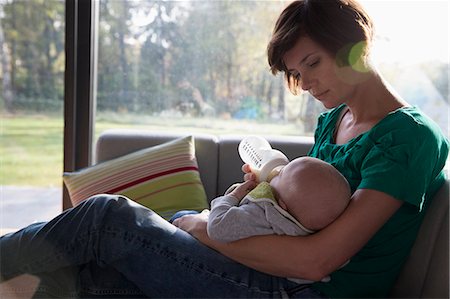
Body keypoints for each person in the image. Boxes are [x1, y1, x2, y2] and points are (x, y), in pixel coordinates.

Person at [1, 0, 448, 298]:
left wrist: (203, 230)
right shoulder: (334, 120)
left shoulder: (409, 137)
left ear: (357, 46)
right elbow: (301, 220)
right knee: (94, 277)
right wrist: (260, 189)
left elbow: (318, 260)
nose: (306, 82)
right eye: (296, 71)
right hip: (276, 272)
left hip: (304, 291)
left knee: (108, 218)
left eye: (312, 63)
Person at [206, 156, 351, 243]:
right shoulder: (300, 227)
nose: (275, 174)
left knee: (183, 218)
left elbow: (217, 226)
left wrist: (232, 196)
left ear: (281, 205)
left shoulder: (264, 214)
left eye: (280, 175)